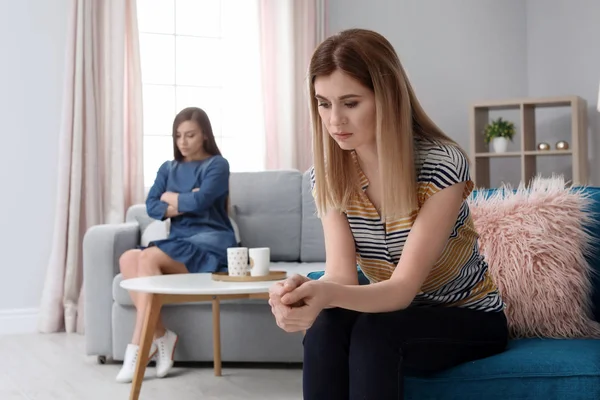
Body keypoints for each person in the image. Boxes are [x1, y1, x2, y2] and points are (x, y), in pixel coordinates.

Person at [268, 29, 509, 399]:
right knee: (328, 323)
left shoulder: (442, 166)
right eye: (323, 103)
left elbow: (401, 290)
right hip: (387, 311)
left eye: (350, 103)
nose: (334, 121)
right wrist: (304, 295)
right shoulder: (328, 175)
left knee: (376, 331)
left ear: (387, 98)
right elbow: (343, 277)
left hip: (466, 314)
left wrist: (324, 292)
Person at [116, 107, 237, 383]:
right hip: (179, 241)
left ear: (204, 135)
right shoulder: (167, 168)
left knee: (147, 259)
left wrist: (169, 198)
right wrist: (183, 200)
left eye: (190, 135)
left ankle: (139, 347)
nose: (182, 141)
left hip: (212, 240)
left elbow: (203, 200)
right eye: (178, 135)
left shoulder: (218, 165)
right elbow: (151, 206)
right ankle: (161, 335)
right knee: (127, 259)